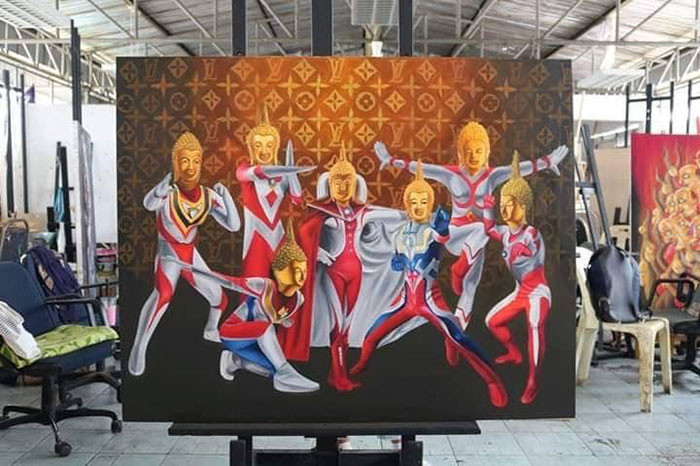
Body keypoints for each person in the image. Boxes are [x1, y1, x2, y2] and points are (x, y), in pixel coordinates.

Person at [372, 122, 567, 364]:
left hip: (475, 243)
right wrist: (390, 160)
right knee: (482, 227)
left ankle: (454, 338)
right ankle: (458, 269)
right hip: (455, 235)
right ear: (460, 153)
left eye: (478, 151)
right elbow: (421, 168)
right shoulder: (451, 174)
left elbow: (518, 169)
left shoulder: (493, 175)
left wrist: (547, 162)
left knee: (470, 288)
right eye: (468, 151)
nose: (473, 156)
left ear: (486, 152)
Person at [349, 162, 507, 408]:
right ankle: (361, 363)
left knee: (459, 338)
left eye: (423, 202)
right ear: (406, 204)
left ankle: (492, 381)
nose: (418, 206)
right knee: (370, 338)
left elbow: (442, 237)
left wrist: (443, 231)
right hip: (404, 302)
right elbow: (398, 260)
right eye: (414, 202)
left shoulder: (433, 230)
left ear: (430, 204)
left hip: (430, 301)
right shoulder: (400, 234)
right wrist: (397, 262)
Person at [277, 145, 404, 392]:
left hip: (356, 273)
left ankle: (337, 373)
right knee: (338, 326)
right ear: (330, 184)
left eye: (347, 182)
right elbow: (303, 235)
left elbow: (398, 216)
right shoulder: (321, 211)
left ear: (355, 184)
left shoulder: (363, 212)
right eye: (338, 182)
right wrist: (317, 252)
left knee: (347, 325)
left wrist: (424, 214)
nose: (343, 187)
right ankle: (338, 375)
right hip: (334, 273)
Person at [129, 131, 240, 376]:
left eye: (195, 161)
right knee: (163, 295)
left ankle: (211, 329)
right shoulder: (168, 193)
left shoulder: (208, 196)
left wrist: (227, 198)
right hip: (169, 252)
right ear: (176, 163)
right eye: (184, 160)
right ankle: (139, 347)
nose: (190, 167)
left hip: (189, 253)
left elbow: (233, 225)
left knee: (218, 297)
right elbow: (148, 204)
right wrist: (160, 188)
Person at [172, 221, 319, 393]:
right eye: (296, 271)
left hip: (253, 340)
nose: (301, 277)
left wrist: (285, 321)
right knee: (269, 339)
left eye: (304, 271)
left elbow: (279, 316)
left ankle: (235, 361)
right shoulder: (263, 286)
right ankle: (286, 371)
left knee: (273, 371)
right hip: (232, 333)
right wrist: (192, 269)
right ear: (279, 271)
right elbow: (228, 282)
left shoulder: (298, 299)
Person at [483, 151, 551, 405]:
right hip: (519, 290)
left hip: (537, 292)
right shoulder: (505, 233)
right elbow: (489, 228)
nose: (504, 207)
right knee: (492, 322)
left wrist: (525, 249)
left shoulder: (530, 232)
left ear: (522, 205)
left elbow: (532, 244)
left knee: (534, 326)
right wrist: (487, 209)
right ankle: (514, 352)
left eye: (509, 203)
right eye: (502, 203)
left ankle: (533, 380)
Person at [236, 105, 315, 279]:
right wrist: (289, 169)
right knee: (255, 287)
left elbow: (297, 199)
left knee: (282, 284)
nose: (264, 151)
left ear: (275, 147)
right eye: (258, 145)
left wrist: (292, 174)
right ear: (251, 148)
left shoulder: (284, 177)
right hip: (255, 240)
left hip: (278, 238)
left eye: (269, 145)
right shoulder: (245, 171)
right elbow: (259, 172)